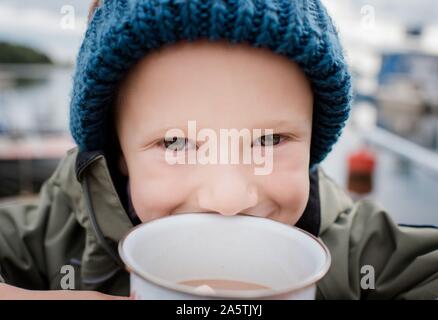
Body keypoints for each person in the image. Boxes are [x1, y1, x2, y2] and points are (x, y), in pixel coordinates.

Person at [1, 0, 437, 300]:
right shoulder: (57, 231)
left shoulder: (352, 252)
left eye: (270, 141)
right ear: (119, 155)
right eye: (176, 143)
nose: (228, 199)